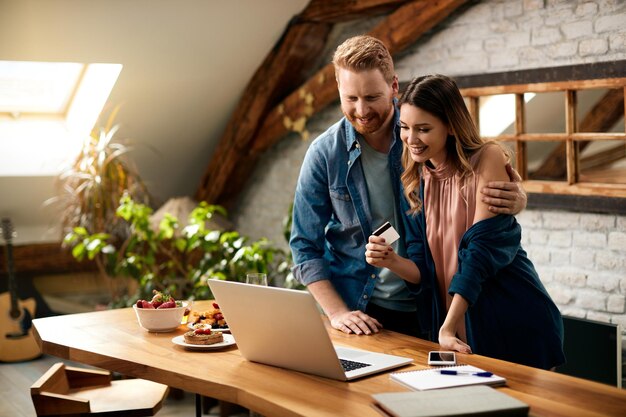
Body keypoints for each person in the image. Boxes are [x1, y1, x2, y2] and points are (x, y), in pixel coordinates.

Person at [289, 35, 527, 337]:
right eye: (351, 98)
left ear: (394, 87)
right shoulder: (324, 154)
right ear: (338, 91)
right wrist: (338, 313)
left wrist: (516, 197)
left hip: (435, 302)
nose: (362, 110)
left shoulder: (423, 130)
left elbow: (473, 168)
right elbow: (304, 246)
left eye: (372, 97)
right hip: (362, 310)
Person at [365, 74, 564, 369]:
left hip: (510, 317)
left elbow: (479, 256)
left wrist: (448, 325)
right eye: (405, 128)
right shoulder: (415, 177)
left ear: (451, 126)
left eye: (424, 129)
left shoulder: (487, 158)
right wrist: (391, 261)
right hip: (454, 328)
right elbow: (425, 270)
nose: (411, 139)